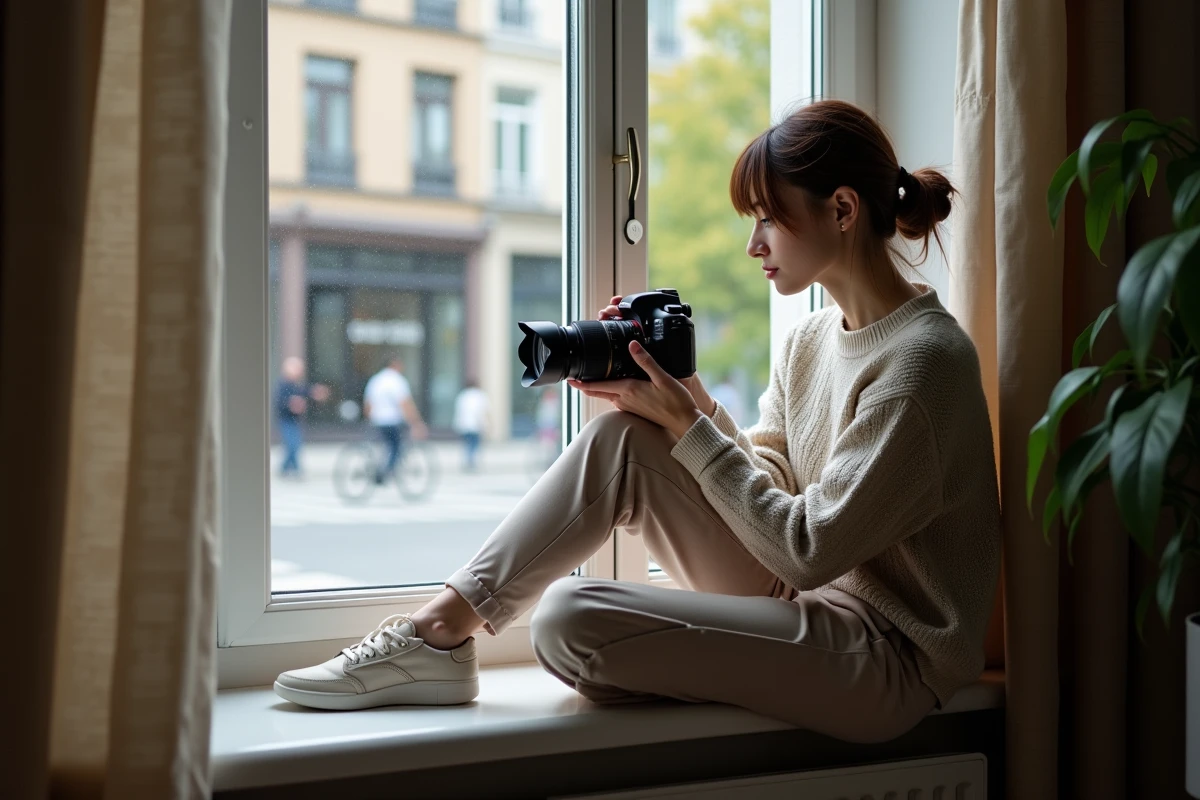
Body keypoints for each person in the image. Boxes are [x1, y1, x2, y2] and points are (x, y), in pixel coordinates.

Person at [274, 100, 1001, 746]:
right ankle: (435, 635)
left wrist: (694, 429)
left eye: (768, 220)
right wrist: (690, 404)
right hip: (799, 602)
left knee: (568, 619)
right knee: (626, 438)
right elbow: (772, 483)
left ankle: (701, 666)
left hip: (884, 656)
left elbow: (809, 548)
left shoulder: (922, 364)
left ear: (841, 211)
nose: (754, 247)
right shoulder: (811, 339)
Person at [363, 356, 428, 484]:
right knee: (396, 446)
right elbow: (405, 403)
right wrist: (416, 423)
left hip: (377, 420)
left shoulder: (375, 380)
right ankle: (386, 471)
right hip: (392, 420)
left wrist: (370, 419)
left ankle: (380, 467)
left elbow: (367, 405)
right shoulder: (397, 380)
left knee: (386, 444)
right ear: (394, 365)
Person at [274, 357, 328, 478]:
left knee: (294, 445)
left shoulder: (296, 385)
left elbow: (307, 392)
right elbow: (280, 402)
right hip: (286, 420)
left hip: (294, 420)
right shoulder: (282, 385)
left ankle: (288, 468)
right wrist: (290, 404)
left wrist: (315, 393)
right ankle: (293, 469)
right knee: (292, 445)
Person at [452, 380, 489, 472]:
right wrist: (487, 424)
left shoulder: (462, 395)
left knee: (467, 444)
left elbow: (458, 411)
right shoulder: (480, 395)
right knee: (474, 444)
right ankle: (471, 461)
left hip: (464, 424)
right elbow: (483, 411)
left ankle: (468, 460)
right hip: (475, 425)